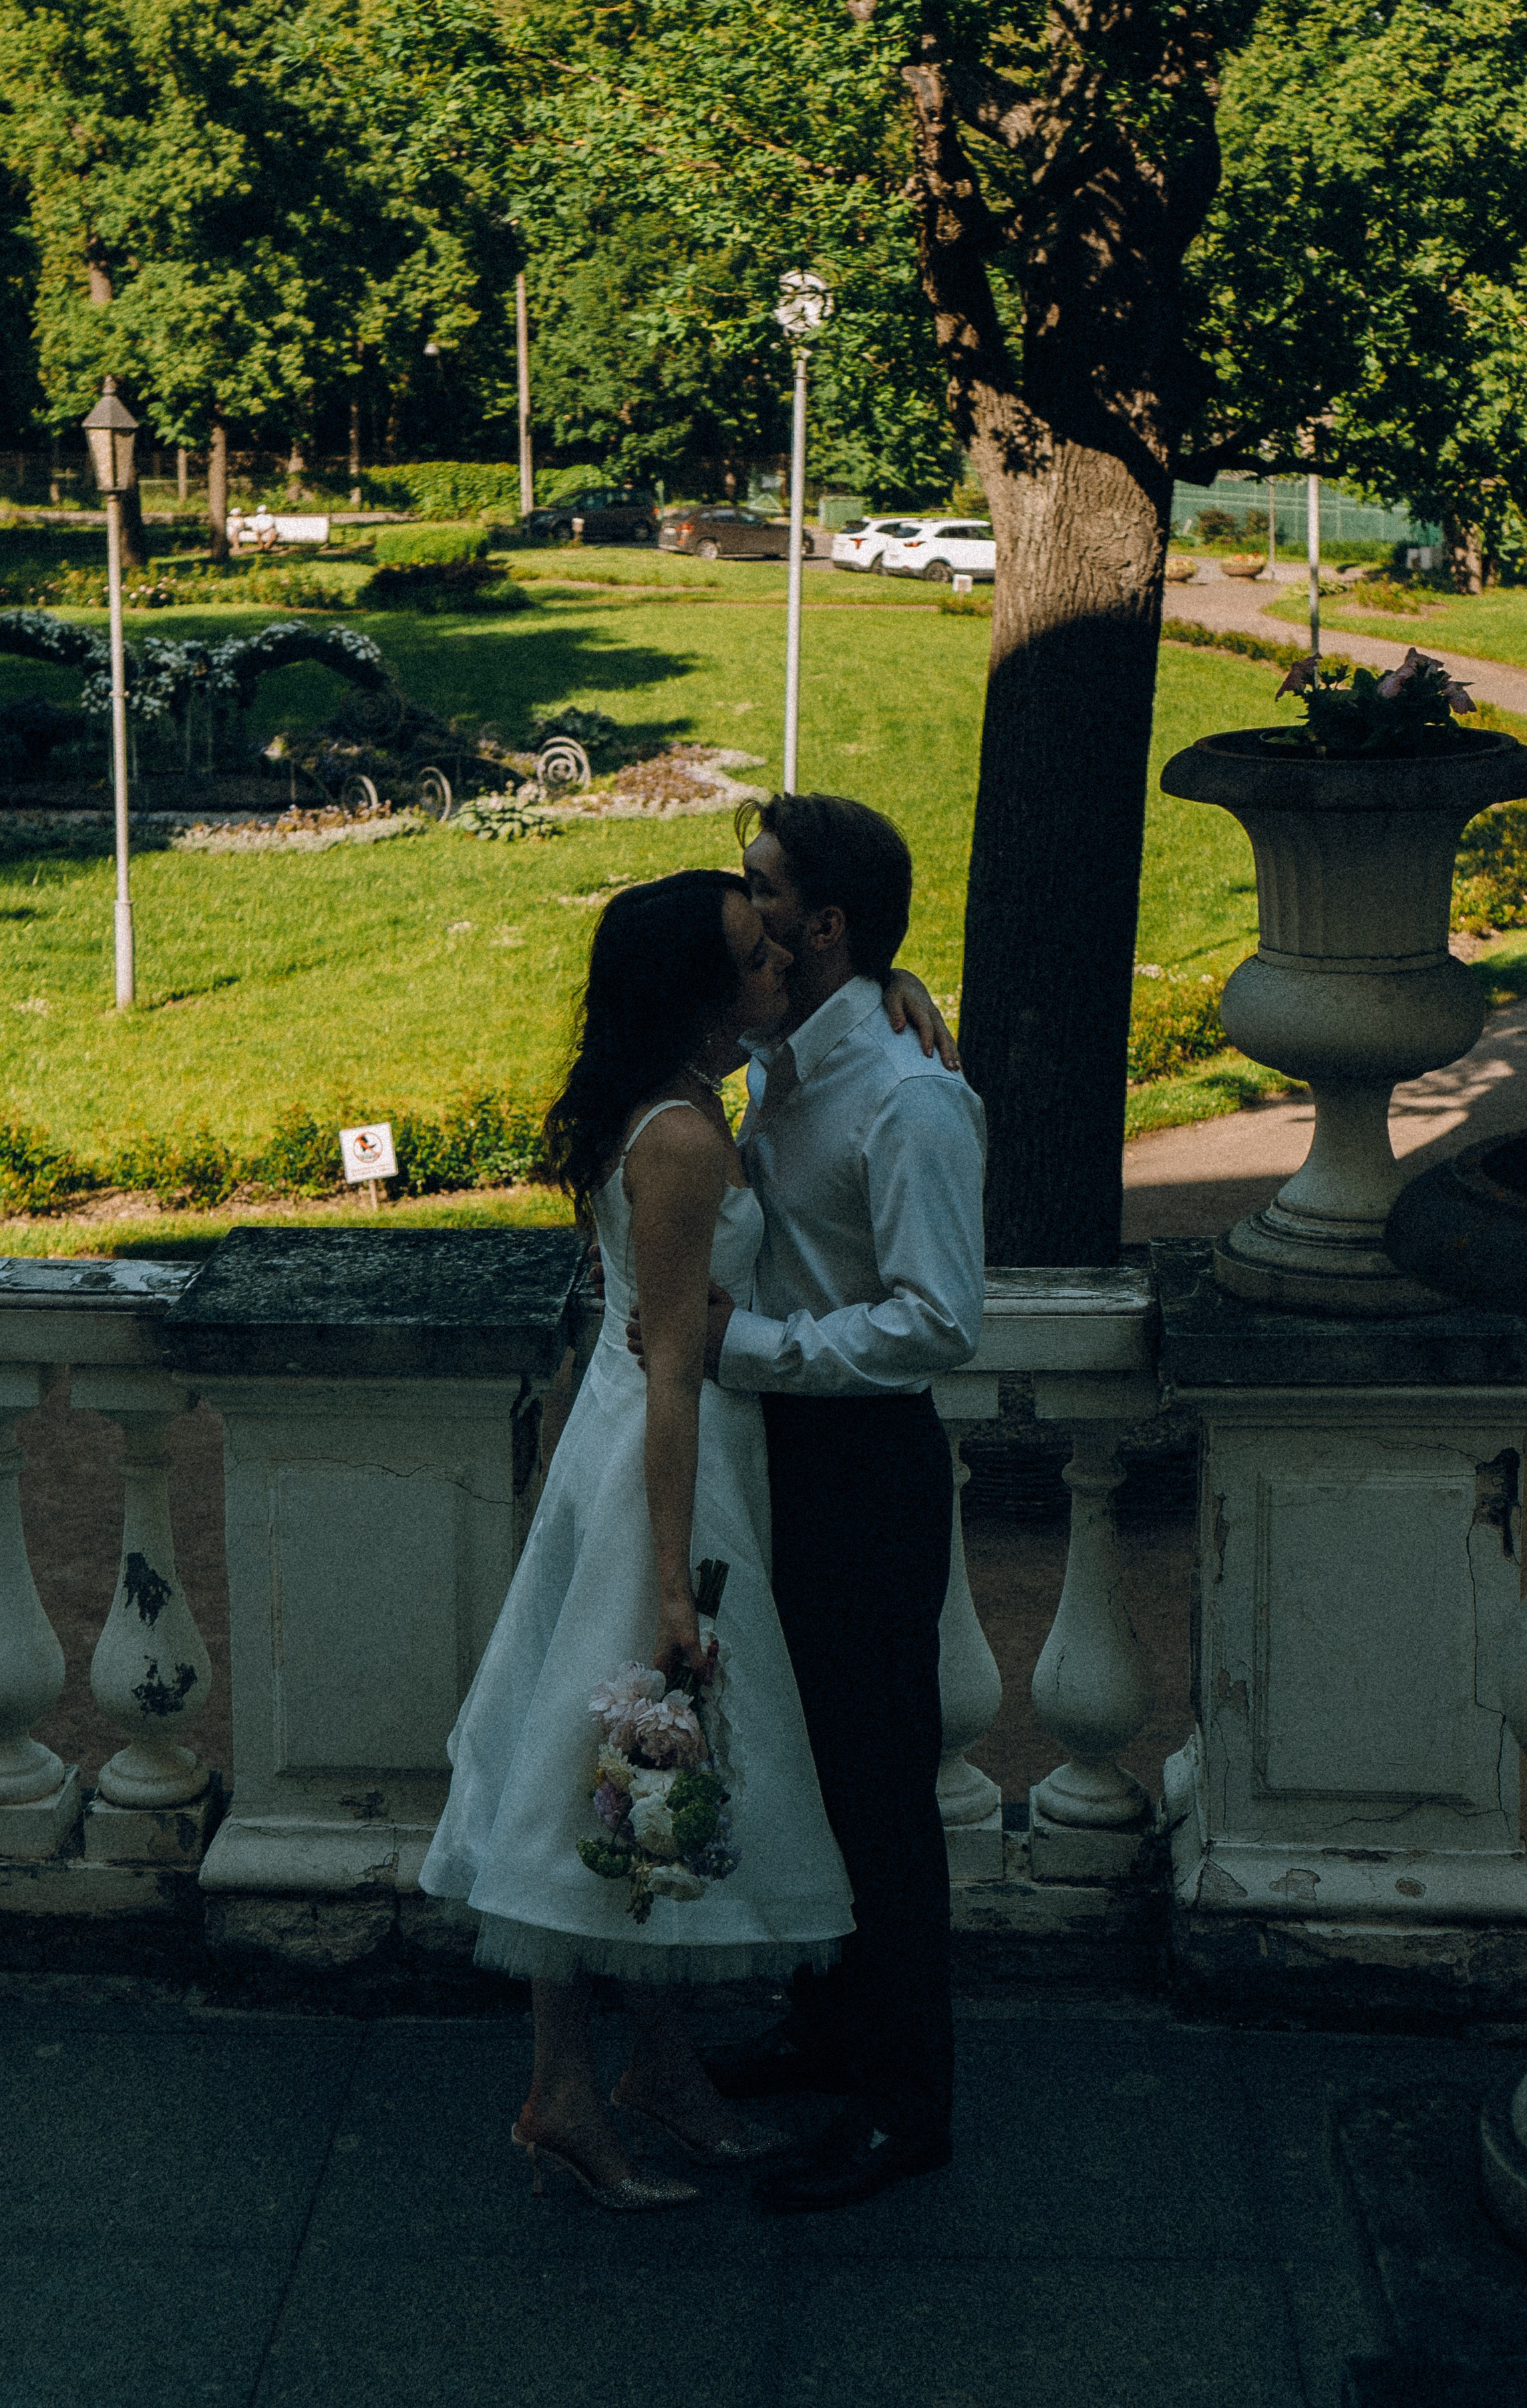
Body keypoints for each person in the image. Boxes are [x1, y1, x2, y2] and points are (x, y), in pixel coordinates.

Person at [418, 869, 854, 2212]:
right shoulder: (677, 1140)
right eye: (754, 956)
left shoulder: (685, 1097)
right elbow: (673, 1366)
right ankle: (561, 2089)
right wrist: (671, 1579)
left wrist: (890, 987)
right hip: (666, 1470)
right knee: (605, 1767)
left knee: (643, 1770)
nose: (778, 965)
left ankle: (657, 2067)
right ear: (696, 997)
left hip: (640, 1449)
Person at [643, 794, 986, 2212]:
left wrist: (748, 1348)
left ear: (826, 924)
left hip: (860, 1469)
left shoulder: (910, 1096)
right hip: (773, 1456)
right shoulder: (785, 1056)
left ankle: (904, 2106)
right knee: (804, 1764)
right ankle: (828, 2025)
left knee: (878, 1789)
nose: (745, 904)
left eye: (764, 886)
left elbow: (938, 1321)